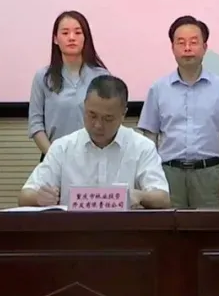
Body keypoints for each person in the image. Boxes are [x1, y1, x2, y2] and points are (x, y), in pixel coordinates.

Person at [138, 16, 219, 208]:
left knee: (210, 226)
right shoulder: (158, 89)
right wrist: (149, 178)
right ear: (172, 48)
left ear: (205, 47)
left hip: (209, 173)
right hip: (169, 174)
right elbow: (149, 137)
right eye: (181, 43)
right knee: (168, 226)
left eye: (194, 42)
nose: (187, 48)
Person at [19, 75, 171, 209]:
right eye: (92, 115)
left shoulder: (142, 147)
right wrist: (39, 198)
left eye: (108, 118)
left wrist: (140, 196)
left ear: (123, 114)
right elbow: (25, 196)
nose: (98, 125)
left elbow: (163, 198)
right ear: (84, 106)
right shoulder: (62, 147)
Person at [28, 11, 109, 161]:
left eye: (77, 32)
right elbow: (35, 124)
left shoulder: (101, 77)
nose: (71, 38)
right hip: (54, 158)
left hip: (94, 158)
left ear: (85, 38)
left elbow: (109, 120)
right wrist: (54, 157)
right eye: (65, 33)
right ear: (55, 39)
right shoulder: (43, 77)